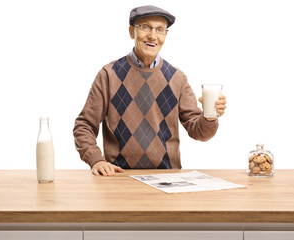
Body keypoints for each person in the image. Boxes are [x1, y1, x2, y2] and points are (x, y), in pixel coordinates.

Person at [73, 5, 227, 176]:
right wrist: (97, 160)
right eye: (145, 27)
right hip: (119, 177)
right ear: (132, 32)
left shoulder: (177, 78)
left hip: (168, 178)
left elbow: (199, 132)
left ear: (165, 35)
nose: (153, 36)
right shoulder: (109, 75)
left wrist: (209, 116)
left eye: (160, 29)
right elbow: (84, 125)